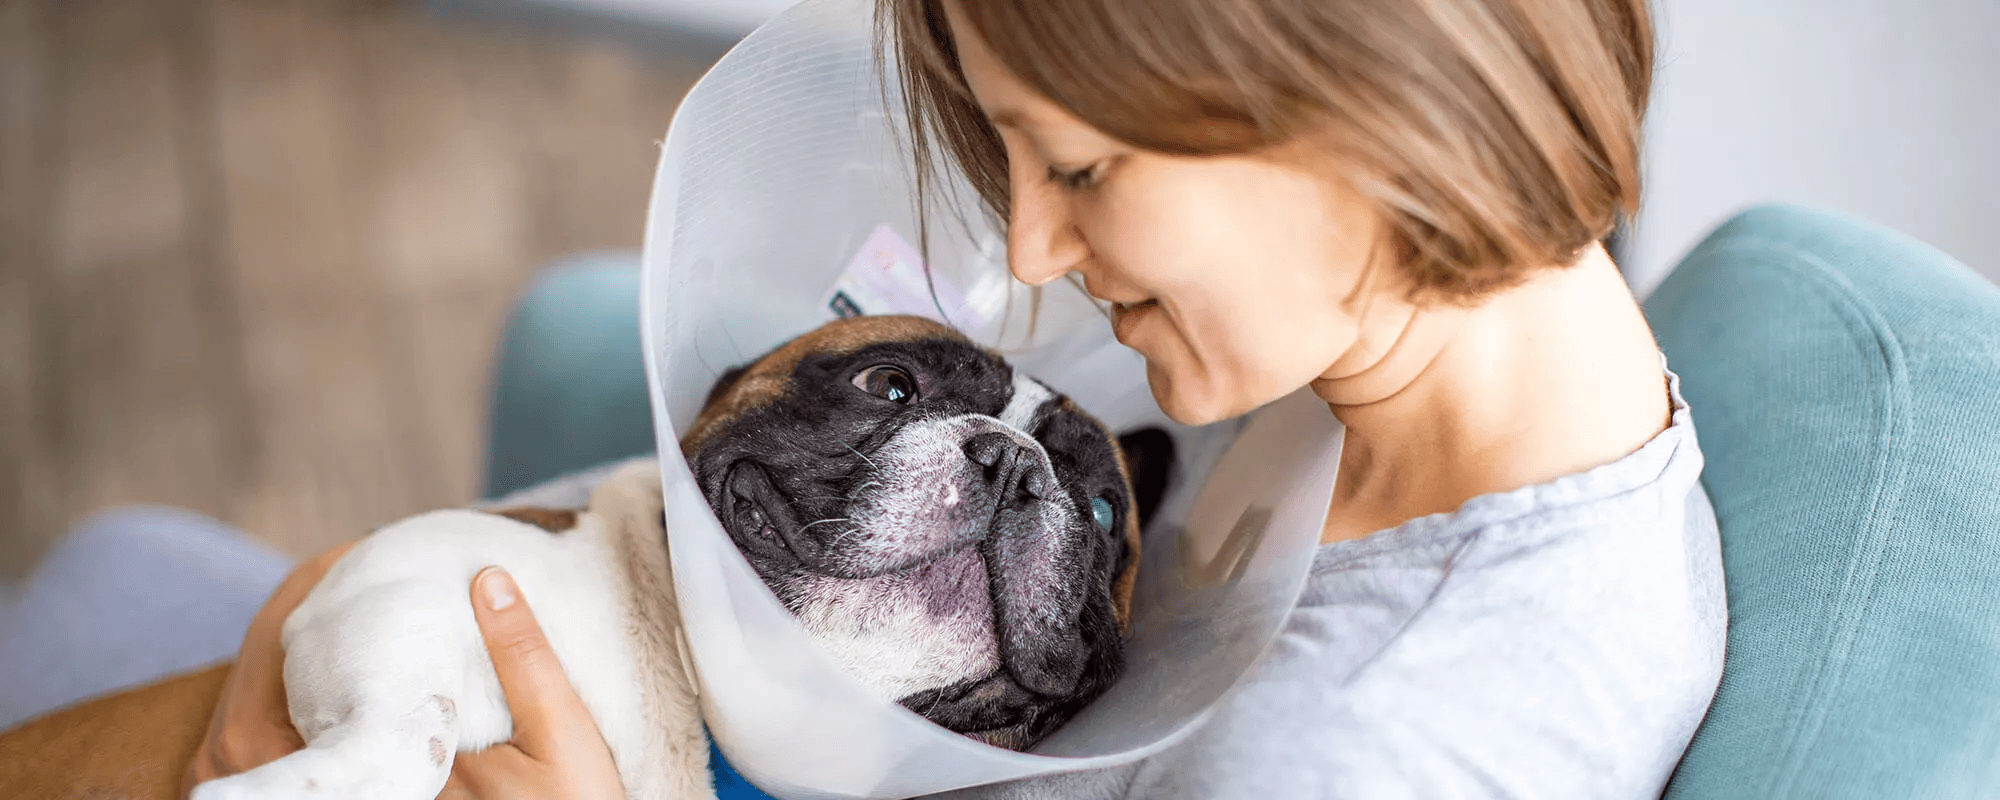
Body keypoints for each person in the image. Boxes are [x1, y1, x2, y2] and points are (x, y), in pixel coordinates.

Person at [61, 0, 1726, 796]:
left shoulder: (1367, 752)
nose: (1030, 240)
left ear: (1368, 113)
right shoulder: (1332, 357)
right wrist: (420, 598)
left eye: (1078, 163)